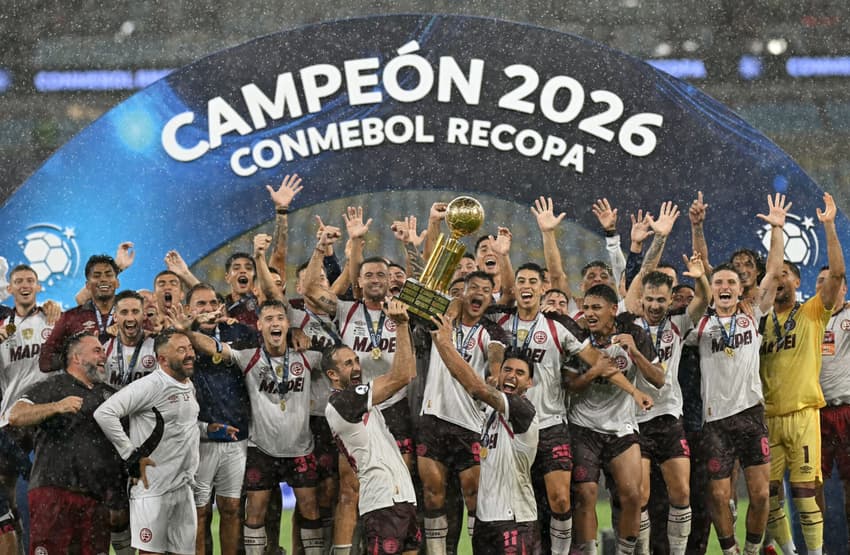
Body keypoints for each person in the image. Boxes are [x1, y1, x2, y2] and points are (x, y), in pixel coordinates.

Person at [497, 263, 649, 555]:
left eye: (533, 281)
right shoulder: (499, 322)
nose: (526, 286)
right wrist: (504, 257)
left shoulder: (560, 326)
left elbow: (599, 363)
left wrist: (635, 391)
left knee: (562, 500)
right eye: (520, 281)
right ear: (513, 287)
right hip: (510, 426)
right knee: (514, 502)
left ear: (544, 288)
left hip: (551, 423)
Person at [175, 299, 325, 555]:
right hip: (261, 448)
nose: (275, 323)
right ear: (259, 326)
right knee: (255, 510)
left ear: (288, 324)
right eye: (268, 319)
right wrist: (188, 331)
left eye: (280, 318)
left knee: (310, 509)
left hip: (301, 447)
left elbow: (340, 361)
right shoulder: (250, 358)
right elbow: (214, 348)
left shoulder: (309, 357)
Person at [760, 192, 845, 555]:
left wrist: (829, 225)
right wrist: (777, 232)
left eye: (787, 276)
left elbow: (838, 273)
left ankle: (815, 553)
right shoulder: (760, 319)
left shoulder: (812, 312)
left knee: (806, 491)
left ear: (798, 282)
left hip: (804, 414)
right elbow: (769, 271)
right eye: (775, 276)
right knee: (770, 493)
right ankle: (791, 550)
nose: (779, 280)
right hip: (768, 416)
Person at [431, 314, 540, 555]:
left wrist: (445, 343)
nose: (511, 375)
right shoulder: (488, 412)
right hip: (485, 521)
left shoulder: (523, 410)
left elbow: (475, 386)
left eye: (520, 373)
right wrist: (440, 341)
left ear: (530, 383)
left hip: (515, 520)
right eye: (507, 369)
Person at [8, 334, 126, 555]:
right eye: (97, 351)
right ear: (77, 357)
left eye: (103, 351)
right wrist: (56, 407)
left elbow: (119, 450)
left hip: (97, 498)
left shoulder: (113, 396)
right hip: (53, 493)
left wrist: (118, 499)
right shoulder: (50, 386)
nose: (104, 356)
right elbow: (15, 415)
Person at [566, 284, 661, 555]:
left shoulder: (634, 334)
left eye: (597, 308)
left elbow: (658, 379)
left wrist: (636, 353)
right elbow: (570, 384)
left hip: (621, 427)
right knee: (585, 496)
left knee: (633, 495)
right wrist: (594, 371)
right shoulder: (579, 335)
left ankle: (624, 552)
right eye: (586, 308)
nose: (590, 314)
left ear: (613, 310)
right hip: (584, 428)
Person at [417, 271, 507, 554]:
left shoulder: (492, 330)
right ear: (463, 292)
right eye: (473, 288)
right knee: (433, 497)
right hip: (432, 418)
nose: (479, 293)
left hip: (470, 424)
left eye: (486, 289)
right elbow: (414, 294)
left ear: (491, 297)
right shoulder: (443, 318)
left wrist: (494, 374)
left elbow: (495, 352)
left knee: (474, 498)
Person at [323, 299, 420, 555]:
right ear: (332, 375)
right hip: (381, 502)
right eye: (347, 364)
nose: (356, 367)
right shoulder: (342, 402)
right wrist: (400, 325)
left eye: (356, 360)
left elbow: (408, 371)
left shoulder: (360, 400)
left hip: (404, 498)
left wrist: (403, 326)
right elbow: (401, 376)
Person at [94, 329, 201, 555]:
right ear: (162, 359)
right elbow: (105, 413)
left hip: (182, 487)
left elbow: (179, 424)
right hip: (153, 489)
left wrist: (207, 428)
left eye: (190, 348)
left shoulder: (187, 383)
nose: (190, 354)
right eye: (181, 350)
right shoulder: (151, 385)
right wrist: (129, 454)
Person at [183, 283, 257, 555]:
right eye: (200, 304)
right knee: (199, 511)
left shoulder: (239, 332)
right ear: (189, 309)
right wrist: (184, 329)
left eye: (212, 302)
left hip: (237, 434)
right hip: (199, 439)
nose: (208, 308)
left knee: (231, 509)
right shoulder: (177, 340)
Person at [815, 267, 850, 552]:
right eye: (820, 282)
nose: (825, 286)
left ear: (844, 289)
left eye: (832, 282)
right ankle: (818, 547)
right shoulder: (805, 319)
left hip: (848, 410)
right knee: (813, 484)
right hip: (815, 414)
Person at [40, 254, 121, 371]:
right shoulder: (70, 317)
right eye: (97, 275)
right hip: (86, 388)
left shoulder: (133, 315)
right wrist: (78, 357)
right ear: (87, 285)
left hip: (127, 387)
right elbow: (45, 362)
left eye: (109, 275)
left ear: (117, 283)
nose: (103, 279)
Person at [103, 290, 158, 388]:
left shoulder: (157, 346)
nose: (130, 318)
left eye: (135, 312)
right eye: (124, 312)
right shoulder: (104, 347)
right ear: (115, 317)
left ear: (144, 315)